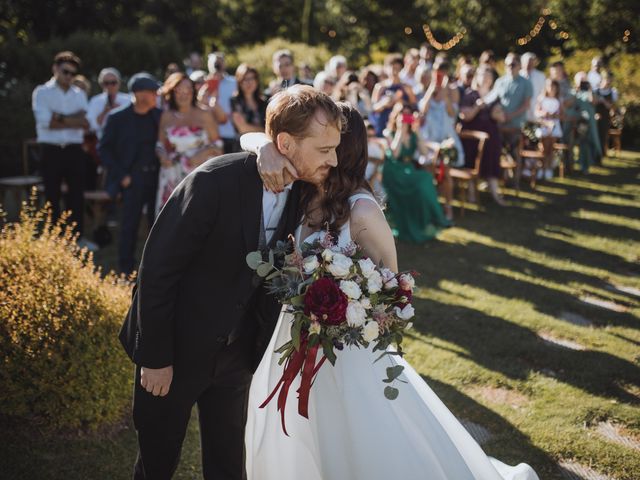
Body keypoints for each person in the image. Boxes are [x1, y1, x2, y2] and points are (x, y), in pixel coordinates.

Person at [244, 103, 539, 480]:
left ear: (343, 148)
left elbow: (394, 292)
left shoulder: (362, 211)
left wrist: (343, 311)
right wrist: (264, 148)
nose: (325, 151)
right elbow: (253, 137)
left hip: (348, 356)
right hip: (292, 341)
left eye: (330, 144)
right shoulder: (300, 194)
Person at [119, 85, 342, 479]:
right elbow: (157, 271)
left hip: (237, 356)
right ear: (286, 143)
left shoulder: (305, 193)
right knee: (156, 463)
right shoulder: (213, 182)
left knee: (228, 467)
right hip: (175, 351)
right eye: (324, 150)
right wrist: (155, 357)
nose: (334, 159)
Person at [98, 73, 162, 274]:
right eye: (152, 93)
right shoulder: (118, 118)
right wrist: (121, 176)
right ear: (139, 94)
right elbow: (104, 149)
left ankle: (154, 268)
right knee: (129, 226)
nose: (155, 96)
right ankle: (125, 269)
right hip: (132, 180)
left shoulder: (158, 116)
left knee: (158, 225)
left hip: (156, 178)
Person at [32, 51, 94, 249]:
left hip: (74, 150)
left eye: (72, 73)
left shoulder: (79, 94)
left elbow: (86, 123)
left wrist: (59, 117)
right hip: (51, 150)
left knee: (77, 194)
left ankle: (77, 237)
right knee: (52, 194)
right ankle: (54, 240)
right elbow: (45, 122)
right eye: (65, 72)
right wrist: (71, 119)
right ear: (55, 69)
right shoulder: (42, 92)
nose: (68, 76)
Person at [155, 72, 222, 215]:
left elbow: (219, 146)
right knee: (172, 217)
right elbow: (159, 144)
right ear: (172, 92)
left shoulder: (205, 114)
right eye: (179, 90)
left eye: (188, 90)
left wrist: (204, 152)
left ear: (193, 92)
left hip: (199, 173)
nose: (183, 94)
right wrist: (162, 155)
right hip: (172, 174)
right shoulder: (166, 116)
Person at [383, 103, 452, 241]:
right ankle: (435, 217)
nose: (405, 119)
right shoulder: (389, 133)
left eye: (408, 116)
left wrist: (418, 131)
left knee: (425, 178)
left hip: (408, 169)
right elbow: (395, 154)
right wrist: (400, 132)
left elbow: (425, 153)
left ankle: (432, 218)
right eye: (402, 116)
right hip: (393, 171)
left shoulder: (414, 134)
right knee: (422, 180)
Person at [459, 65, 506, 205]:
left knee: (492, 161)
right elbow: (465, 116)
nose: (486, 79)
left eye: (489, 76)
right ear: (477, 78)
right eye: (483, 76)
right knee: (473, 161)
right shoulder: (470, 94)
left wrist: (497, 113)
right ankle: (472, 192)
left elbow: (501, 117)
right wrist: (477, 107)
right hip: (474, 136)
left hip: (491, 135)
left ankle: (494, 192)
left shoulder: (494, 95)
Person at [485, 53, 532, 174]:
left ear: (519, 66)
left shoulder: (526, 83)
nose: (509, 67)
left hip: (516, 124)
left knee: (515, 151)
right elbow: (491, 99)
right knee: (494, 149)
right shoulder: (500, 81)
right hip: (500, 124)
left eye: (512, 64)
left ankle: (518, 175)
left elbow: (526, 105)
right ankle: (498, 174)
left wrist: (510, 116)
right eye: (507, 65)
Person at [370, 53, 416, 137]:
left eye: (397, 68)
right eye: (392, 68)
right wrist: (384, 103)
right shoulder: (380, 87)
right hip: (382, 124)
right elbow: (373, 108)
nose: (394, 71)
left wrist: (400, 101)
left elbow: (414, 107)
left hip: (401, 127)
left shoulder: (406, 87)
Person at [87, 68, 131, 140]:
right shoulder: (95, 101)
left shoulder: (129, 100)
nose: (110, 86)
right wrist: (105, 112)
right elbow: (92, 126)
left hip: (125, 141)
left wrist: (120, 111)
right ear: (101, 84)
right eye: (106, 83)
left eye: (113, 82)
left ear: (119, 83)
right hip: (103, 140)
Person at [230, 64, 268, 147]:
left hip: (263, 145)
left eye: (252, 78)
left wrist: (250, 127)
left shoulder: (264, 101)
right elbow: (242, 128)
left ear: (257, 80)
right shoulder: (235, 101)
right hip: (243, 147)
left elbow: (269, 129)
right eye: (245, 79)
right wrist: (262, 130)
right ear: (239, 82)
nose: (249, 82)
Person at [520, 53, 546, 123]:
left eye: (531, 62)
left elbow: (544, 92)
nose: (529, 64)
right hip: (521, 109)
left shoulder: (541, 76)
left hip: (536, 107)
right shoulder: (518, 75)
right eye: (527, 62)